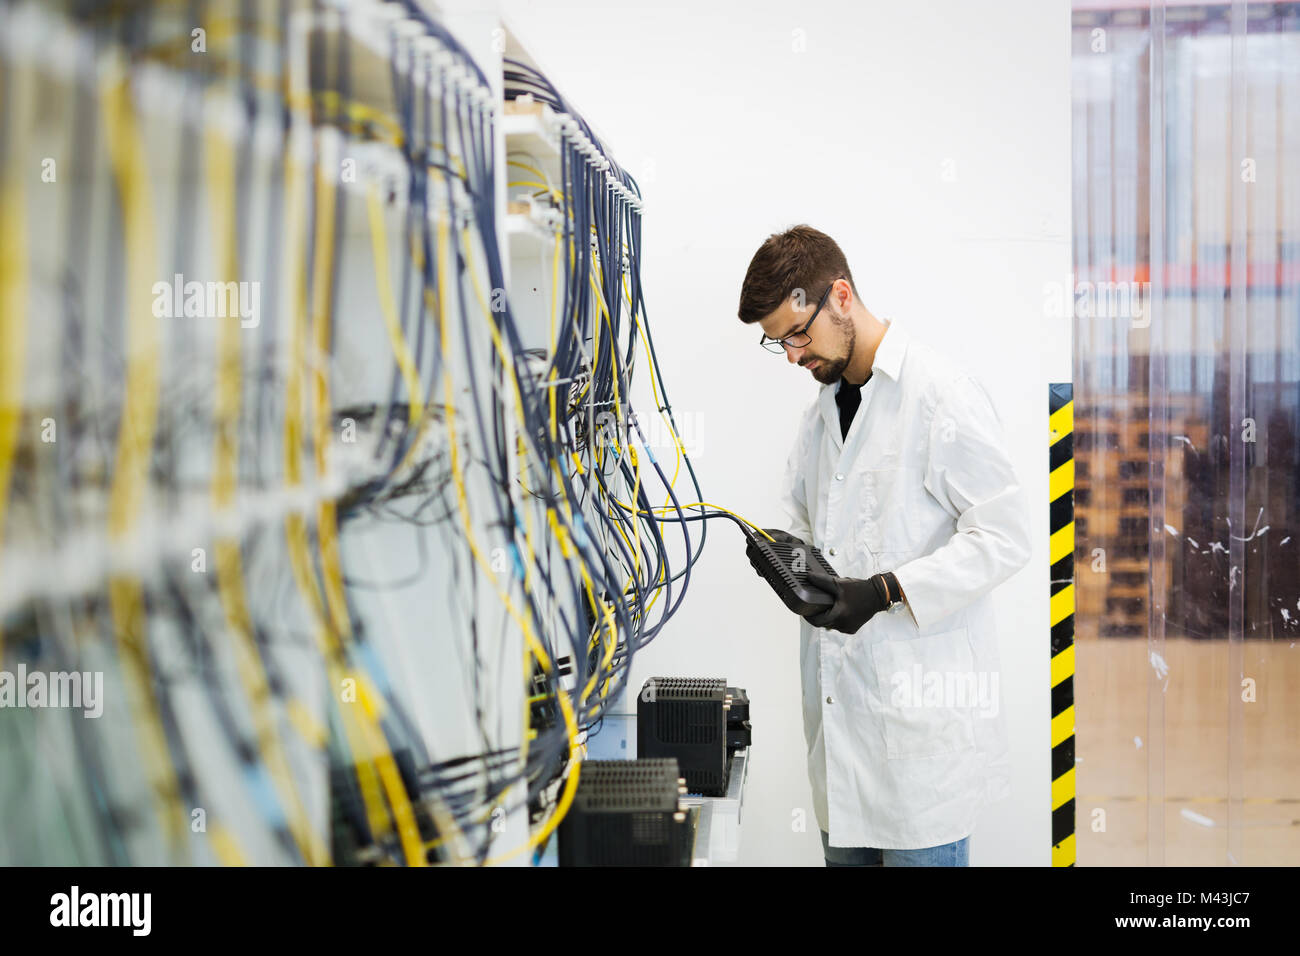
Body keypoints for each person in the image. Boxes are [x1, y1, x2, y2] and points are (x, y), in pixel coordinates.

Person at [737, 225, 1032, 867]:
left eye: (796, 334)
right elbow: (805, 515)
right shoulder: (823, 409)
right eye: (777, 342)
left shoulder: (939, 394)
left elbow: (1005, 536)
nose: (791, 355)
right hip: (842, 747)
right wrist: (781, 553)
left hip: (922, 760)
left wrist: (887, 590)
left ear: (840, 295)